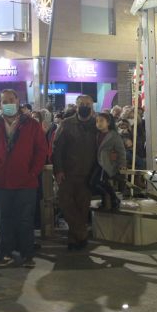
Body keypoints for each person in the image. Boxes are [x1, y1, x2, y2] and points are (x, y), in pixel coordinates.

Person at [0, 89, 47, 268]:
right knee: (4, 220)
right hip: (1, 182)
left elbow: (41, 150)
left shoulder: (31, 125)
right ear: (0, 104)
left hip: (26, 182)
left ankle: (27, 255)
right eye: (5, 101)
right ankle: (6, 253)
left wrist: (33, 172)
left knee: (25, 219)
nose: (8, 103)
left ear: (18, 101)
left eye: (11, 99)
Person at [52, 95, 98, 251]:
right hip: (68, 173)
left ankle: (74, 239)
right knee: (66, 204)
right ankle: (81, 232)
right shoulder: (66, 124)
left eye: (88, 104)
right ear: (76, 106)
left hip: (88, 174)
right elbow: (57, 149)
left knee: (82, 207)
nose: (85, 106)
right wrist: (58, 170)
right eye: (82, 104)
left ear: (92, 106)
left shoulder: (96, 124)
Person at [92, 113, 126, 211]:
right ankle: (110, 198)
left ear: (108, 122)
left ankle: (112, 199)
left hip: (107, 163)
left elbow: (121, 150)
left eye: (101, 121)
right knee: (94, 182)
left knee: (101, 181)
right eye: (97, 121)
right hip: (98, 163)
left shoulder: (114, 135)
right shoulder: (96, 135)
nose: (99, 123)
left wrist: (122, 164)